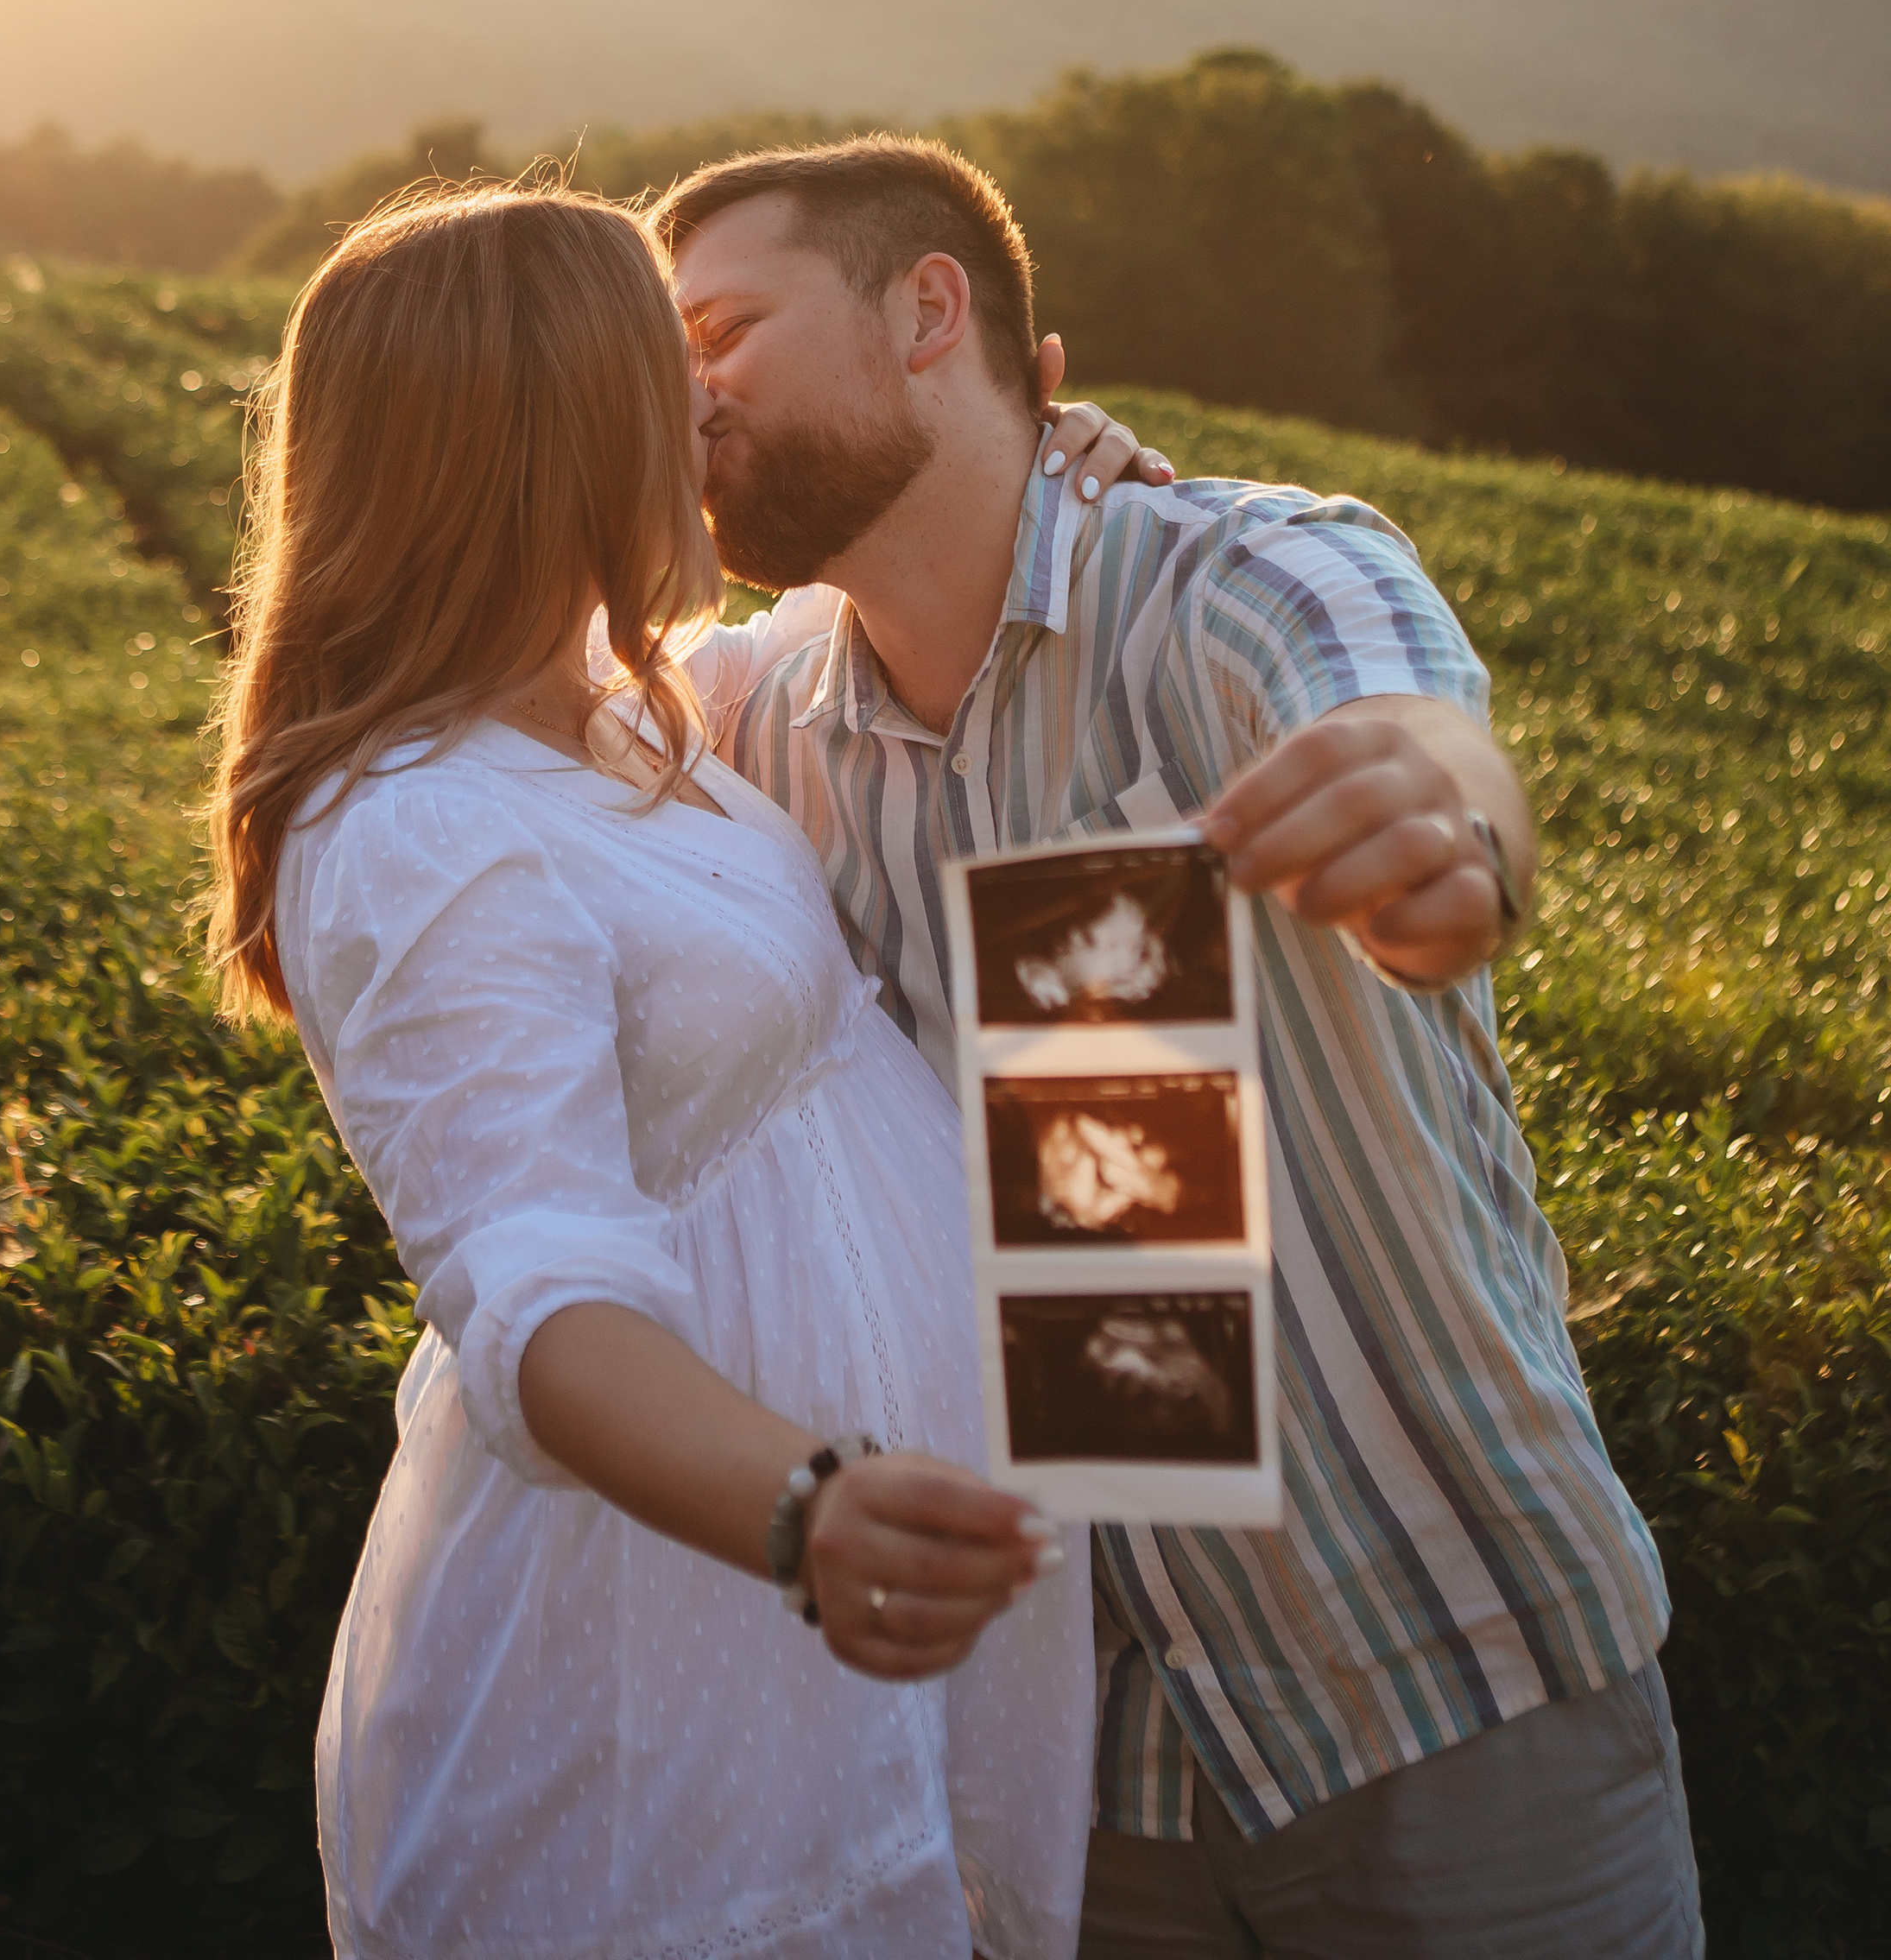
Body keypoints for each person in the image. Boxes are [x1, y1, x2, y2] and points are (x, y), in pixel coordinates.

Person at [653, 134, 1704, 1960]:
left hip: (1449, 1691)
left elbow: (1414, 735)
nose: (686, 396)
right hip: (1080, 1769)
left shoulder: (1242, 576)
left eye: (723, 332)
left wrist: (1442, 828)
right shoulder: (755, 718)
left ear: (926, 312)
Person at [204, 181, 1097, 1960]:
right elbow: (542, 1303)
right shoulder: (421, 825)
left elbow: (903, 578)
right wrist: (806, 1505)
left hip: (808, 1660)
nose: (705, 407)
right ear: (539, 432)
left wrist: (1059, 465)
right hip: (651, 1677)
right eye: (658, 364)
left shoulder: (628, 707)